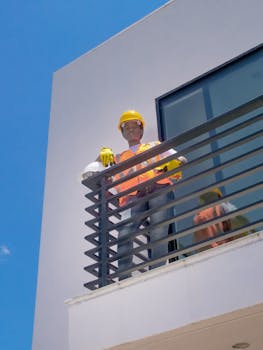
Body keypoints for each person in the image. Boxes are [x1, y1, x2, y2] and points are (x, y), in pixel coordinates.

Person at [99, 110, 187, 280]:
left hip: (158, 188)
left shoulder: (155, 146)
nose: (131, 130)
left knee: (158, 231)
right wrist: (102, 153)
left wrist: (174, 163)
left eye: (134, 127)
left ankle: (157, 273)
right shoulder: (117, 158)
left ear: (141, 131)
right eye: (127, 128)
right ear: (123, 133)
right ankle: (124, 279)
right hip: (132, 196)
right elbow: (91, 172)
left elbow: (180, 159)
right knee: (124, 234)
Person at [193, 188, 251, 252]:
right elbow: (242, 220)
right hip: (228, 247)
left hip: (211, 252)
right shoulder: (223, 205)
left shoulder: (197, 217)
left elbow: (197, 242)